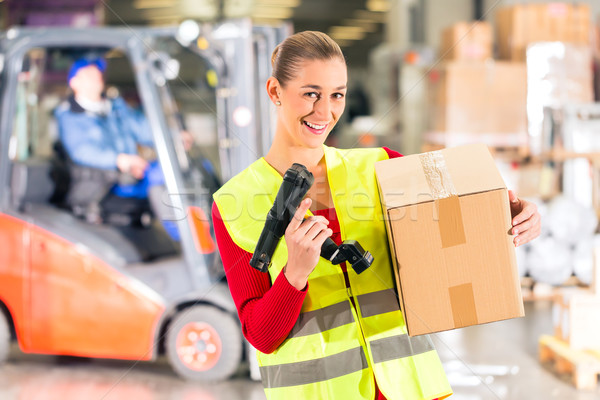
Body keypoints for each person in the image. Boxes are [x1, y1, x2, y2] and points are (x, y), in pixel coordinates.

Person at [212, 31, 541, 400]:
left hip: (408, 388)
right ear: (275, 92)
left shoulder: (381, 165)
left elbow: (462, 217)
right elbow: (260, 335)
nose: (325, 112)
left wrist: (511, 212)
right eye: (310, 93)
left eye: (337, 94)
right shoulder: (232, 203)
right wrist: (294, 275)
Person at [55, 57, 179, 239]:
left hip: (131, 172)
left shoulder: (114, 106)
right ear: (74, 82)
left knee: (179, 169)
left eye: (98, 74)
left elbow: (142, 128)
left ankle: (205, 234)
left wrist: (173, 137)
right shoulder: (70, 115)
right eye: (90, 75)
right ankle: (187, 242)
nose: (97, 78)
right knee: (159, 177)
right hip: (103, 183)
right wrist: (119, 160)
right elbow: (82, 151)